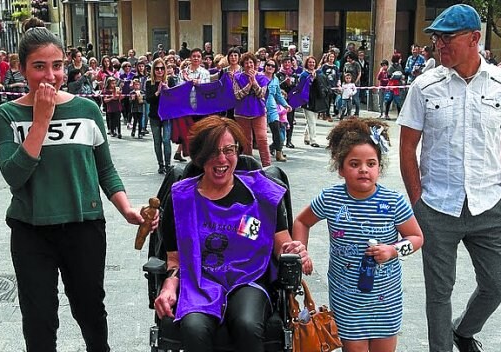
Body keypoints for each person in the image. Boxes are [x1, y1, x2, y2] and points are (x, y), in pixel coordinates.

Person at [0, 17, 158, 352]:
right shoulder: (7, 115)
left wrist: (126, 208)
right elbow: (14, 176)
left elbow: (105, 169)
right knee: (39, 318)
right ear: (22, 70)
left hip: (84, 226)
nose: (50, 75)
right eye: (39, 66)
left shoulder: (86, 109)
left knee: (91, 312)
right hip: (30, 229)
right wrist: (40, 121)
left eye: (57, 66)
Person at [397, 5, 501, 352]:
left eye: (447, 38)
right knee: (438, 295)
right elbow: (407, 145)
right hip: (438, 207)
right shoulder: (425, 86)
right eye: (436, 38)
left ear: (474, 38)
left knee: (497, 285)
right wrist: (417, 201)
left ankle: (464, 330)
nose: (439, 45)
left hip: (490, 205)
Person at [153, 115, 309, 352]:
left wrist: (295, 250)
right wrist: (168, 286)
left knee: (247, 323)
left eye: (229, 150)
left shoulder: (261, 194)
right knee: (194, 328)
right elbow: (174, 258)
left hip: (249, 277)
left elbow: (282, 243)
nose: (222, 159)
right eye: (213, 152)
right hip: (199, 280)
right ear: (199, 156)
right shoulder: (182, 198)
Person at [292, 118, 423, 352]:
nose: (363, 169)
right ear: (341, 168)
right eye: (354, 164)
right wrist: (301, 253)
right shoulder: (331, 198)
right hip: (346, 298)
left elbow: (416, 238)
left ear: (379, 168)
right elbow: (302, 221)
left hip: (386, 298)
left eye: (371, 163)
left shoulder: (394, 202)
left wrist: (393, 250)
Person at [232, 52, 271, 166]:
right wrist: (248, 86)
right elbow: (237, 95)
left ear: (255, 64)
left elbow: (261, 94)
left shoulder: (262, 77)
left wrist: (254, 82)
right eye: (246, 62)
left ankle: (267, 166)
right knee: (246, 141)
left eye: (251, 62)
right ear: (243, 65)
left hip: (258, 112)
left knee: (262, 139)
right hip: (241, 113)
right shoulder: (237, 77)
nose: (249, 65)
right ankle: (249, 166)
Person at [145, 57, 173, 174]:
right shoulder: (149, 82)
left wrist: (167, 90)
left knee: (166, 140)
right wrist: (158, 92)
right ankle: (160, 164)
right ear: (153, 70)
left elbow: (174, 98)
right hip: (154, 115)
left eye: (162, 68)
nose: (160, 71)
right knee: (157, 141)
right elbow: (148, 99)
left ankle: (168, 164)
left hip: (166, 115)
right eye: (157, 68)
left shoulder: (170, 80)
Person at [263, 58, 291, 162]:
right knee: (261, 134)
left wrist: (286, 104)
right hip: (260, 106)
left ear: (275, 68)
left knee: (277, 130)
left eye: (272, 66)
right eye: (268, 65)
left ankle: (279, 153)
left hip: (272, 107)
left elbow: (278, 95)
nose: (270, 67)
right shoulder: (259, 77)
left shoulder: (275, 80)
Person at [301, 55, 329, 147]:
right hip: (307, 100)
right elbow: (302, 87)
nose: (311, 64)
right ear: (307, 63)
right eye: (310, 62)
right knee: (311, 121)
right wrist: (311, 80)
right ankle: (313, 140)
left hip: (317, 100)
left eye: (313, 62)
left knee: (311, 120)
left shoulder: (319, 73)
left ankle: (306, 136)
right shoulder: (304, 74)